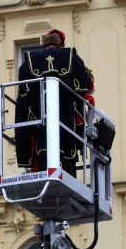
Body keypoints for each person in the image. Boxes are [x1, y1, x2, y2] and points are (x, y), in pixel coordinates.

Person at [15, 29, 91, 176]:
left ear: (44, 45)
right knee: (67, 152)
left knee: (42, 149)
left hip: (40, 120)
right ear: (60, 43)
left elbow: (23, 95)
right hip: (66, 118)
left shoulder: (29, 60)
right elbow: (83, 88)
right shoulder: (71, 57)